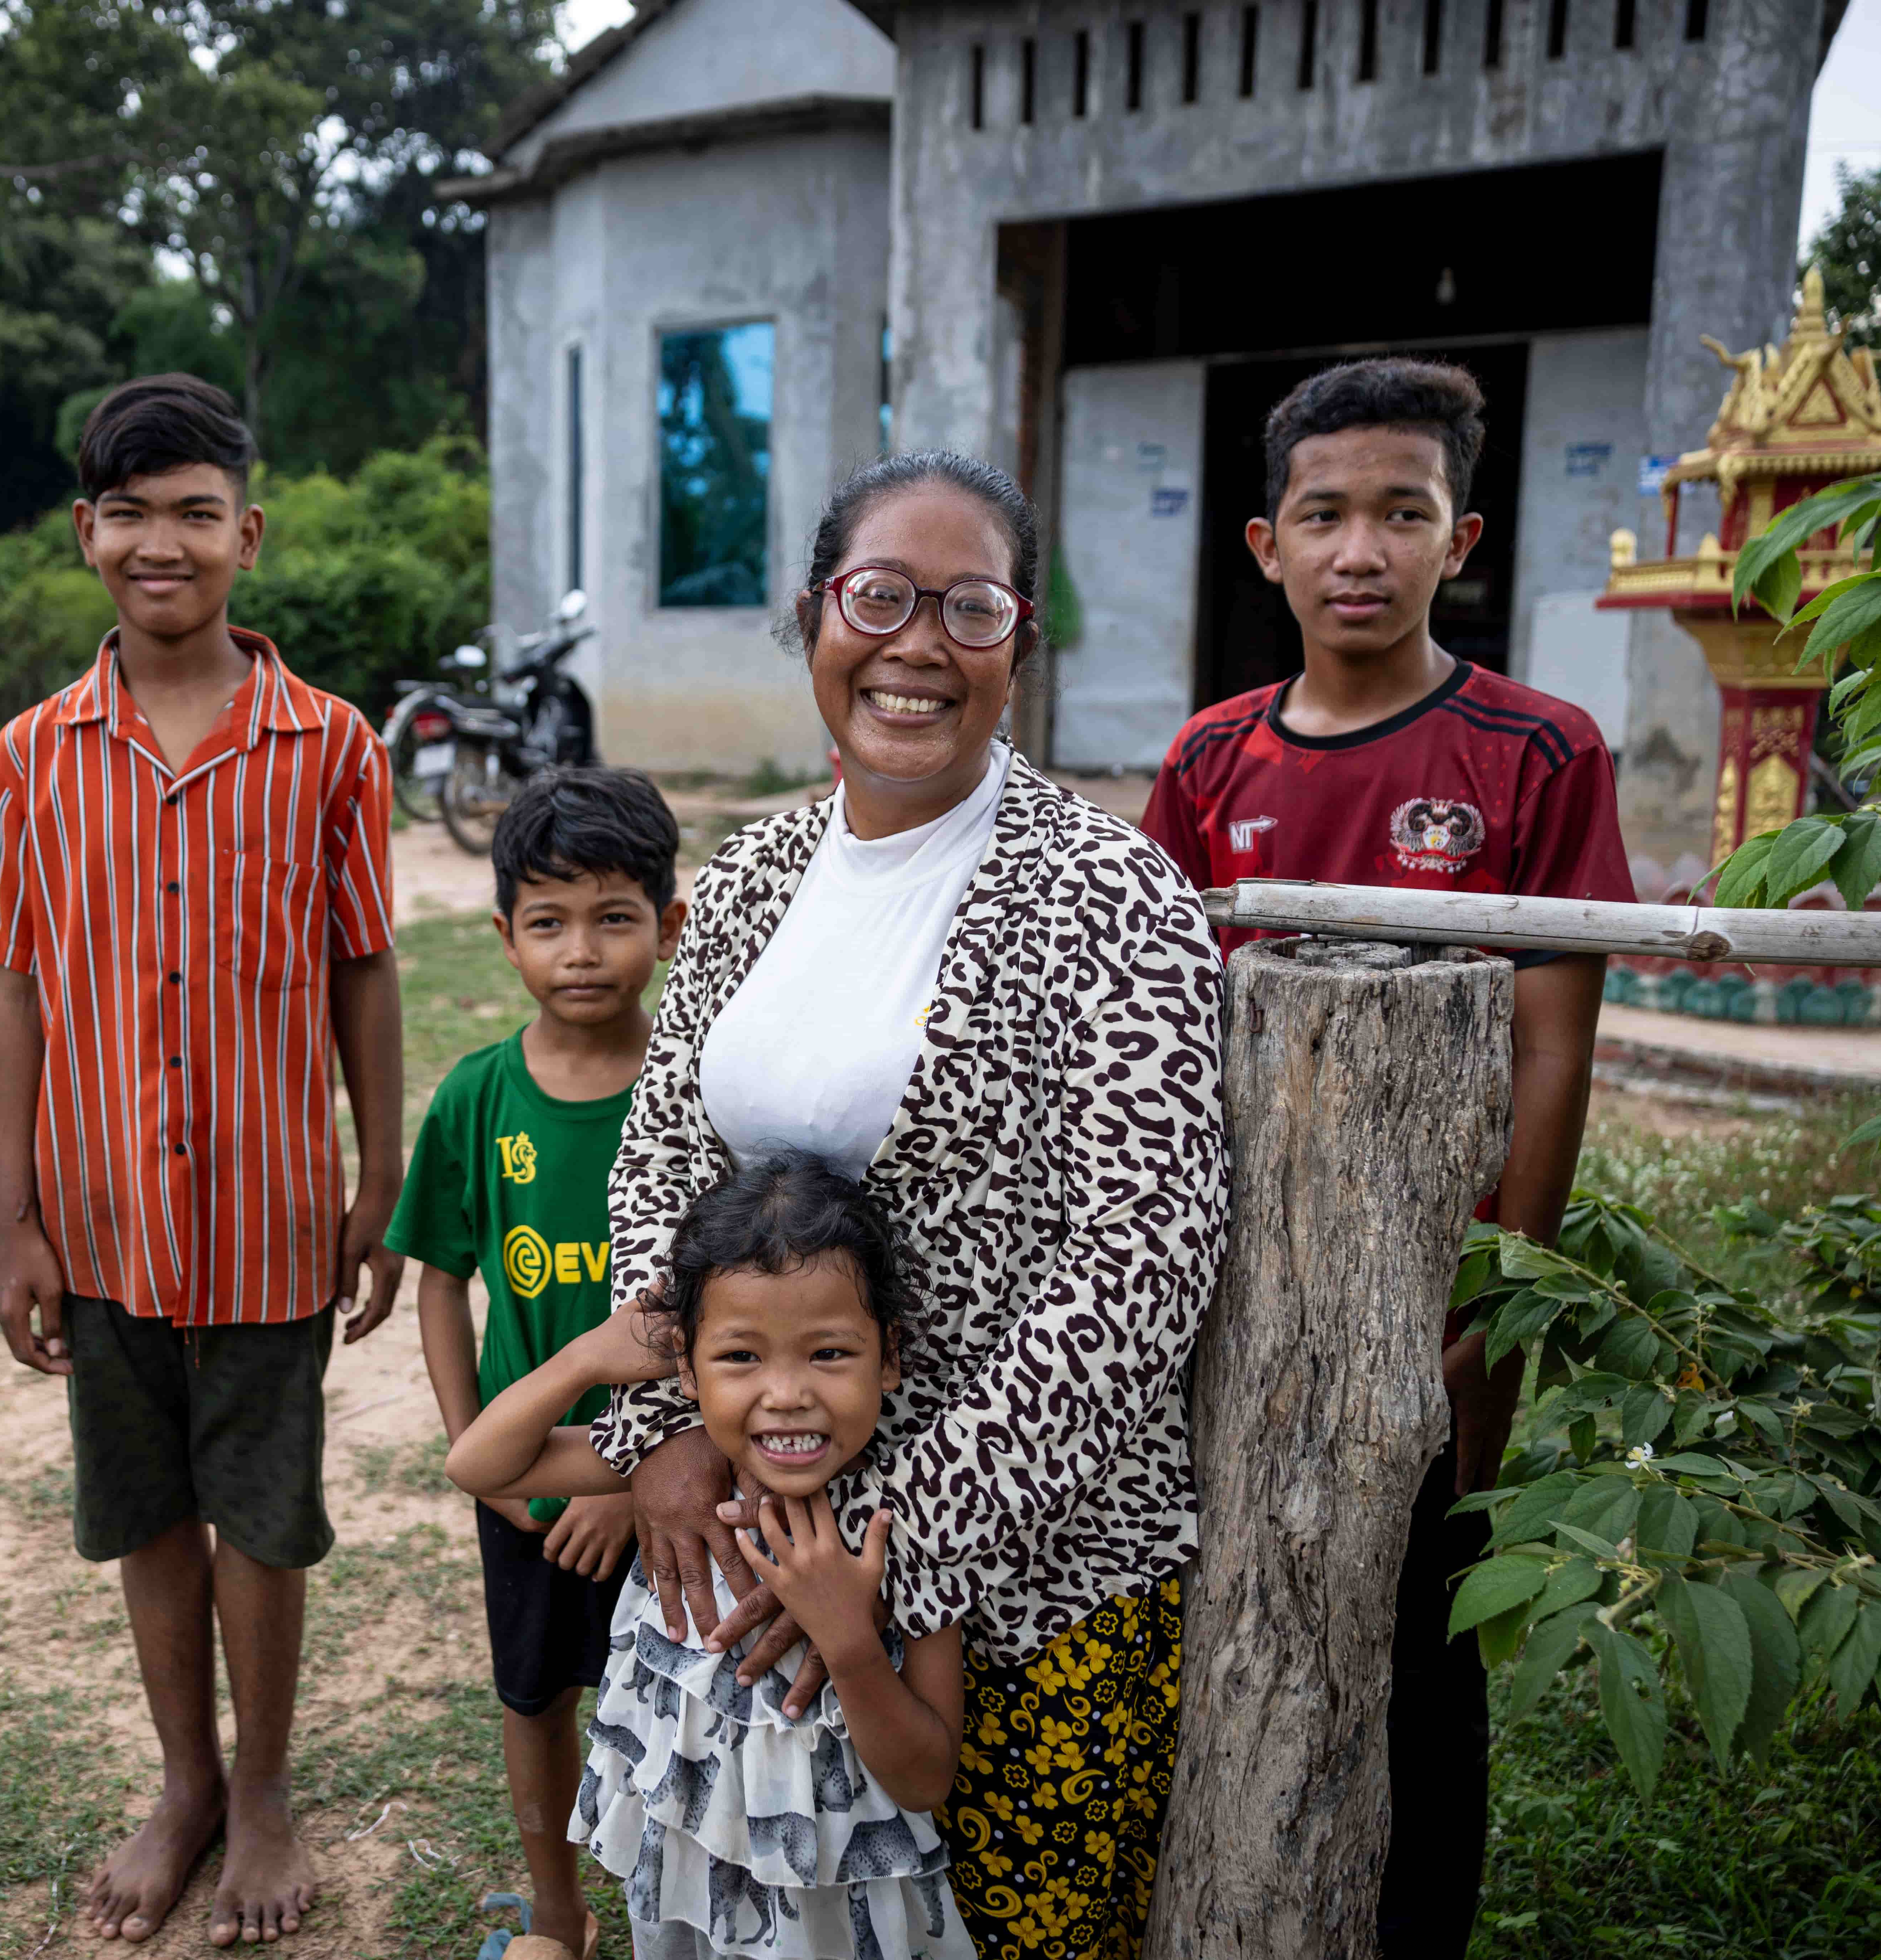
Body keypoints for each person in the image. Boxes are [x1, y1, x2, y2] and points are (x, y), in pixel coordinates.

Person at [594, 451, 1232, 1959]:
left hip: (1034, 1581)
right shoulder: (750, 871)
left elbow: (1141, 1258)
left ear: (1018, 644)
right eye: (877, 597)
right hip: (761, 1545)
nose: (915, 646)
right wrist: (665, 1428)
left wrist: (892, 1546)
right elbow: (659, 1160)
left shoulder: (1106, 891)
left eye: (969, 606)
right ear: (816, 613)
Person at [1138, 355, 1632, 1957]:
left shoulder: (1535, 753)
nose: (1360, 549)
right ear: (1261, 544)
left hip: (1432, 1292)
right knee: (1237, 1612)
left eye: (1399, 514)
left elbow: (1551, 1039)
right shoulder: (1211, 763)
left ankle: (1413, 1923)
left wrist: (1498, 1295)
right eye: (1323, 514)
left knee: (1420, 1639)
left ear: (1459, 537)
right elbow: (1156, 1023)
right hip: (1236, 1289)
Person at [0, 373, 406, 1950]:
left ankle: (262, 1791)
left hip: (271, 1222)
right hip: (106, 1220)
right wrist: (15, 1223)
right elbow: (13, 987)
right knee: (144, 1514)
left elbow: (360, 967)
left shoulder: (330, 749)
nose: (161, 540)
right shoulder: (29, 757)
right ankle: (184, 1782)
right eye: (128, 511)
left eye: (194, 510)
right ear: (85, 534)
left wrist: (376, 1174)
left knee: (263, 1519)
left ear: (245, 534)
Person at [450, 1149, 975, 1960]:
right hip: (689, 1891)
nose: (786, 1392)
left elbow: (923, 1777)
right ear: (686, 1368)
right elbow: (478, 1464)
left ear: (892, 1354)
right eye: (740, 1356)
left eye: (829, 1352)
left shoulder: (903, 1527)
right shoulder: (685, 1490)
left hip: (835, 1920)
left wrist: (847, 1639)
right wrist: (589, 1356)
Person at [387, 766, 689, 1960]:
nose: (582, 951)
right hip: (522, 1484)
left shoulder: (694, 1093)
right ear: (505, 933)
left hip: (662, 1490)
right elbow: (442, 1285)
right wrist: (488, 1470)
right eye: (550, 921)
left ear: (670, 926)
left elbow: (726, 1315)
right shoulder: (476, 1096)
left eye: (615, 917)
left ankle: (666, 1911)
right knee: (534, 1695)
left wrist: (628, 1482)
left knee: (665, 1704)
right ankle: (557, 1916)